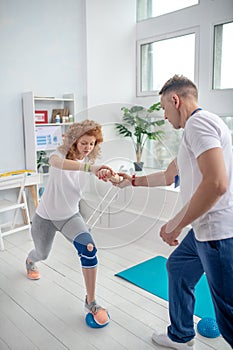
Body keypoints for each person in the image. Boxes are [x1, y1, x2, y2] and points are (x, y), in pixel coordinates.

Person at [114, 75, 233, 349]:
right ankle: (181, 335)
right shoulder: (200, 127)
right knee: (178, 267)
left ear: (175, 100)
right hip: (204, 230)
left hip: (219, 234)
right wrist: (130, 180)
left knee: (228, 319)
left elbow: (216, 183)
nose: (165, 117)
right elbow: (169, 175)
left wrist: (176, 224)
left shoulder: (198, 124)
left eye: (164, 109)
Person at [26, 119, 115, 328]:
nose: (88, 148)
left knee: (89, 249)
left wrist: (113, 177)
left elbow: (96, 172)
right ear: (74, 141)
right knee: (42, 254)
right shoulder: (58, 155)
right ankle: (30, 261)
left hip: (70, 217)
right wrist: (90, 168)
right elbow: (59, 165)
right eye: (84, 143)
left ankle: (91, 302)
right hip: (45, 217)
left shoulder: (88, 163)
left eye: (92, 144)